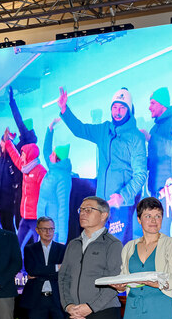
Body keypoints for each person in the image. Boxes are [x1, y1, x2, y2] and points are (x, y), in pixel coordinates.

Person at [58, 86, 147, 244]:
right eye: (114, 107)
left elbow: (140, 175)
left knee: (118, 249)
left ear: (129, 110)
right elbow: (80, 129)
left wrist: (123, 196)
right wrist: (65, 109)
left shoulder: (136, 137)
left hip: (120, 205)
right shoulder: (104, 130)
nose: (117, 112)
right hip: (101, 204)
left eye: (122, 108)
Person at [19, 217, 68, 319]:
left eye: (51, 229)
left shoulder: (62, 249)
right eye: (44, 229)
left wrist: (41, 272)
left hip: (57, 299)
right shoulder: (30, 249)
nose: (48, 232)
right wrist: (55, 268)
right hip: (36, 300)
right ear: (37, 230)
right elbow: (32, 269)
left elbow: (65, 271)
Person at [0, 86, 37, 232]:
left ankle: (17, 244)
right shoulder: (6, 153)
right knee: (9, 224)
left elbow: (19, 123)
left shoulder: (22, 146)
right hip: (5, 195)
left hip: (15, 195)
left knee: (17, 224)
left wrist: (12, 102)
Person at [143, 88, 172, 237]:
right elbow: (153, 160)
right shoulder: (154, 128)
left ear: (162, 104)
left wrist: (151, 139)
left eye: (153, 103)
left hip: (170, 193)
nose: (149, 107)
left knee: (168, 236)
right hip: (156, 193)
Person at [3, 135, 46, 248]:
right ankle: (18, 260)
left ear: (29, 155)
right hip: (25, 216)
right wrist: (8, 142)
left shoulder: (40, 171)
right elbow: (15, 156)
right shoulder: (25, 168)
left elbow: (46, 194)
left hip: (36, 218)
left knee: (40, 247)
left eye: (23, 154)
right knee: (18, 244)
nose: (21, 156)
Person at [39, 118, 73, 244]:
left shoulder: (63, 178)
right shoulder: (53, 168)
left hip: (53, 232)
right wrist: (50, 129)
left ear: (57, 159)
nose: (50, 156)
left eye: (53, 154)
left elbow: (63, 210)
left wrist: (62, 241)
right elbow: (46, 151)